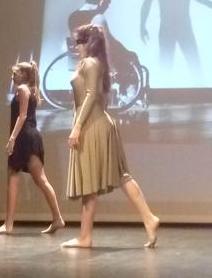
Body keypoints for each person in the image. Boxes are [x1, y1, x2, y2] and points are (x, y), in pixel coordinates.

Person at [61, 24, 160, 248]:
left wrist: (77, 127)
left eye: (79, 42)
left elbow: (91, 95)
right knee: (119, 176)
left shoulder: (90, 63)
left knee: (92, 182)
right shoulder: (95, 63)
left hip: (93, 126)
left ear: (88, 43)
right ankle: (148, 218)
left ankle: (85, 237)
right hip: (96, 123)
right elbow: (96, 97)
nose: (76, 46)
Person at [0, 61, 65, 235]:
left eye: (15, 73)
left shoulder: (23, 89)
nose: (12, 76)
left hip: (25, 137)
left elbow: (22, 116)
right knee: (30, 179)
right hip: (30, 136)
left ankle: (9, 225)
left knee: (22, 178)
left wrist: (12, 139)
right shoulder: (29, 89)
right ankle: (56, 218)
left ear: (24, 75)